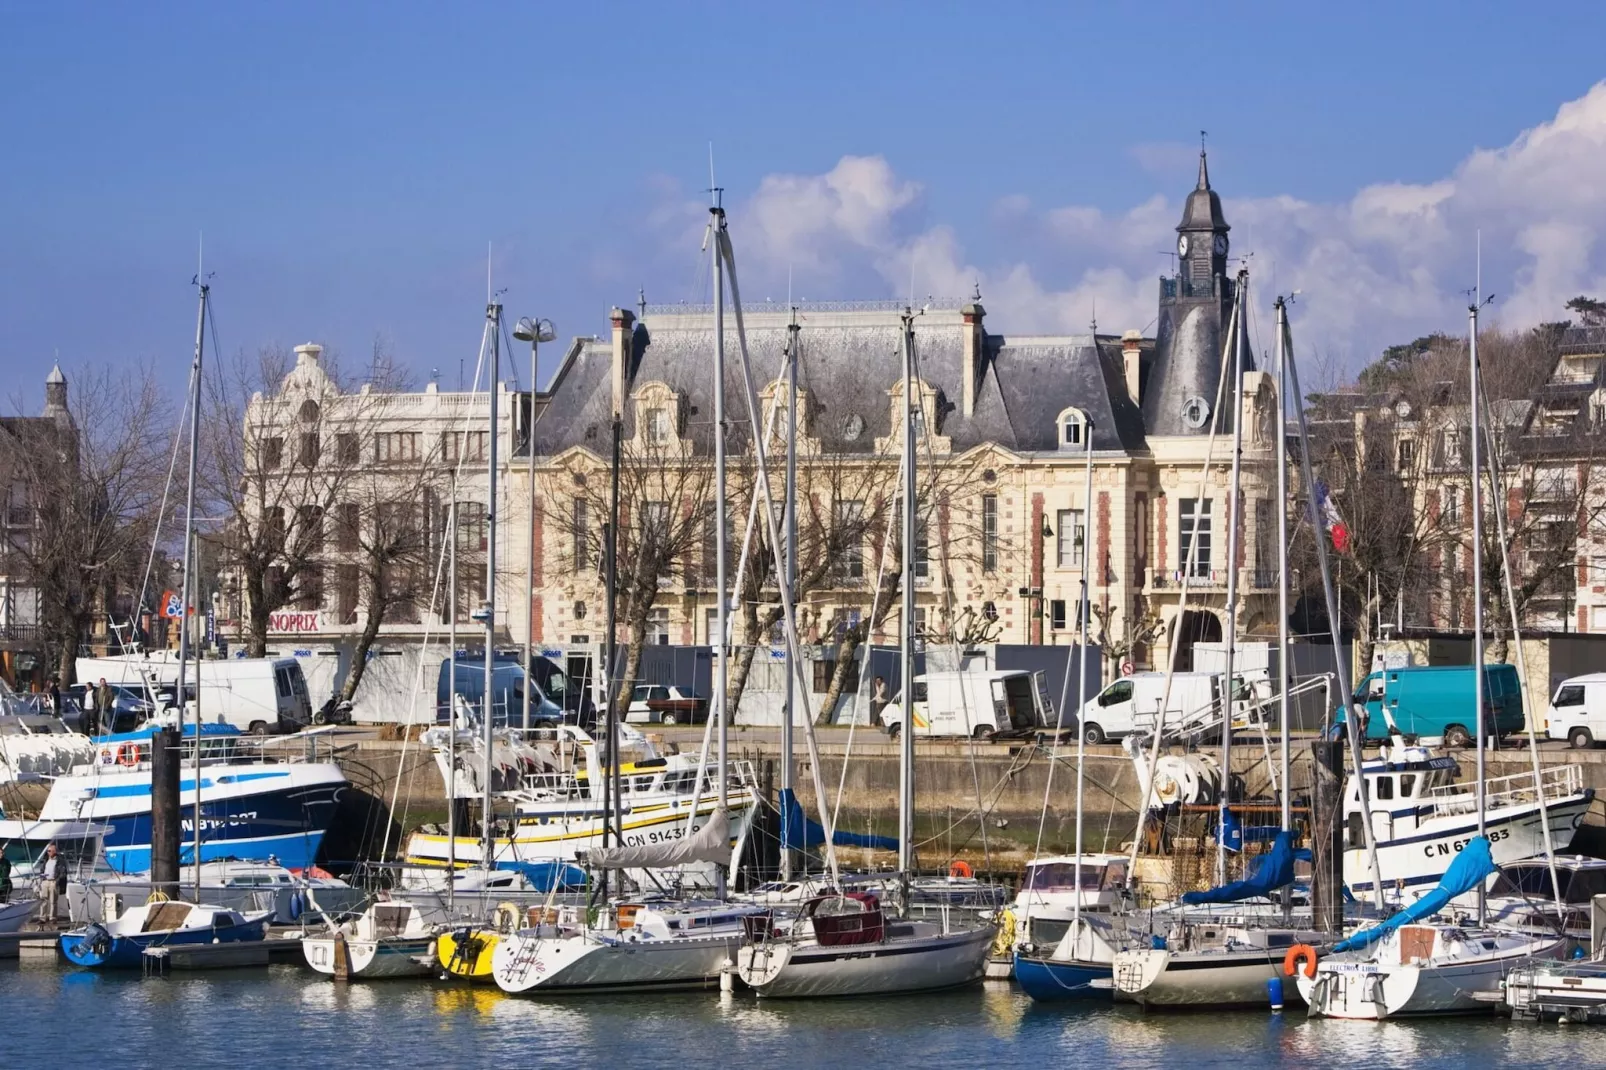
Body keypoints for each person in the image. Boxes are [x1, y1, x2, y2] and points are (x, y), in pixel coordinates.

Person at [39, 843, 59, 925]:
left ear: (54, 851)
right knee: (44, 900)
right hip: (45, 881)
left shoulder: (59, 861)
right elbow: (42, 869)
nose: (48, 852)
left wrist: (57, 880)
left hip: (53, 881)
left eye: (50, 851)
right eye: (48, 851)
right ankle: (42, 918)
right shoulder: (46, 860)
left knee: (53, 901)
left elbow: (62, 871)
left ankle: (52, 918)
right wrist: (42, 877)